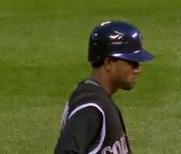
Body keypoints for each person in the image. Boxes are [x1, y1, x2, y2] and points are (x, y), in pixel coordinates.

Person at [54, 20, 154, 154]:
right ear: (108, 63)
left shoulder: (98, 97)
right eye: (132, 62)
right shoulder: (91, 106)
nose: (138, 69)